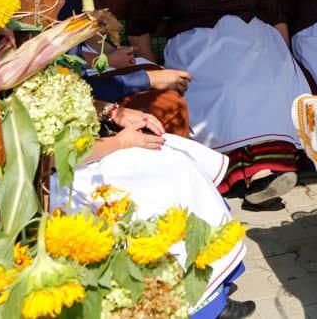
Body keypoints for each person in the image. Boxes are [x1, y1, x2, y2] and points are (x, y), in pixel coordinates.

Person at [127, 0, 310, 208]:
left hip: (252, 44)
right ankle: (251, 173)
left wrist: (284, 56)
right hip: (199, 51)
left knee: (269, 80)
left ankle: (265, 170)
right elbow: (137, 25)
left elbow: (275, 14)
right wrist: (153, 71)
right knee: (229, 88)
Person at [52, 103, 254, 319]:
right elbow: (53, 156)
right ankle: (199, 306)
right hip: (58, 180)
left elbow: (75, 97)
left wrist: (111, 111)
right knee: (161, 180)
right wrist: (119, 142)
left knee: (171, 155)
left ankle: (212, 287)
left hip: (86, 154)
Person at [55, 0, 193, 137]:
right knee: (167, 103)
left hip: (86, 72)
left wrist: (111, 52)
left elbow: (81, 27)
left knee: (169, 87)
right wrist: (109, 61)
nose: (61, 0)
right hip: (79, 82)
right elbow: (64, 62)